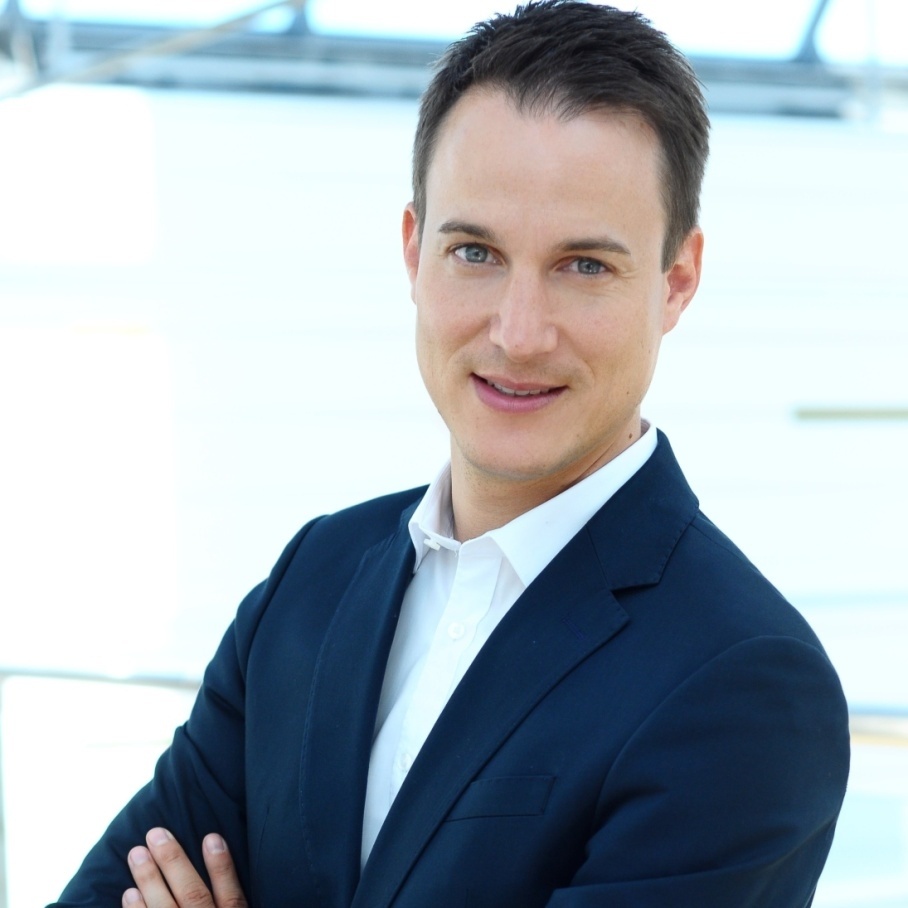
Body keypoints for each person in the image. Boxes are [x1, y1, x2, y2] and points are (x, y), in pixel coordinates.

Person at [52, 3, 850, 906]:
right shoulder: (314, 578)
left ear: (677, 281)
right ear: (412, 252)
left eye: (584, 265)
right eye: (476, 251)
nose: (518, 333)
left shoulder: (743, 682)